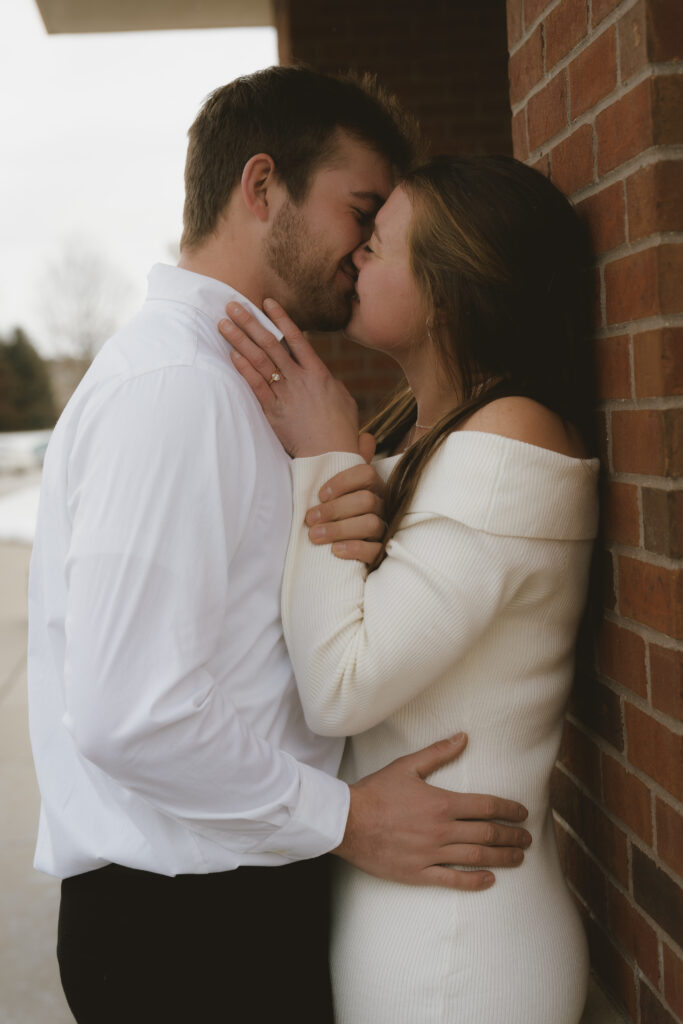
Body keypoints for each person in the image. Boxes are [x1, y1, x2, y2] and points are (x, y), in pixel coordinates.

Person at [27, 70, 531, 1024]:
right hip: (188, 938)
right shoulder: (177, 389)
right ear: (262, 189)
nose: (367, 245)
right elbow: (129, 711)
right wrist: (346, 820)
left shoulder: (236, 383)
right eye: (361, 210)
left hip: (225, 911)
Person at [219, 153, 600, 1023]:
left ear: (447, 290)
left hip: (461, 948)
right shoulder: (410, 431)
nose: (354, 258)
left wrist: (323, 457)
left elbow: (340, 685)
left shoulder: (510, 440)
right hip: (407, 920)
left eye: (378, 244)